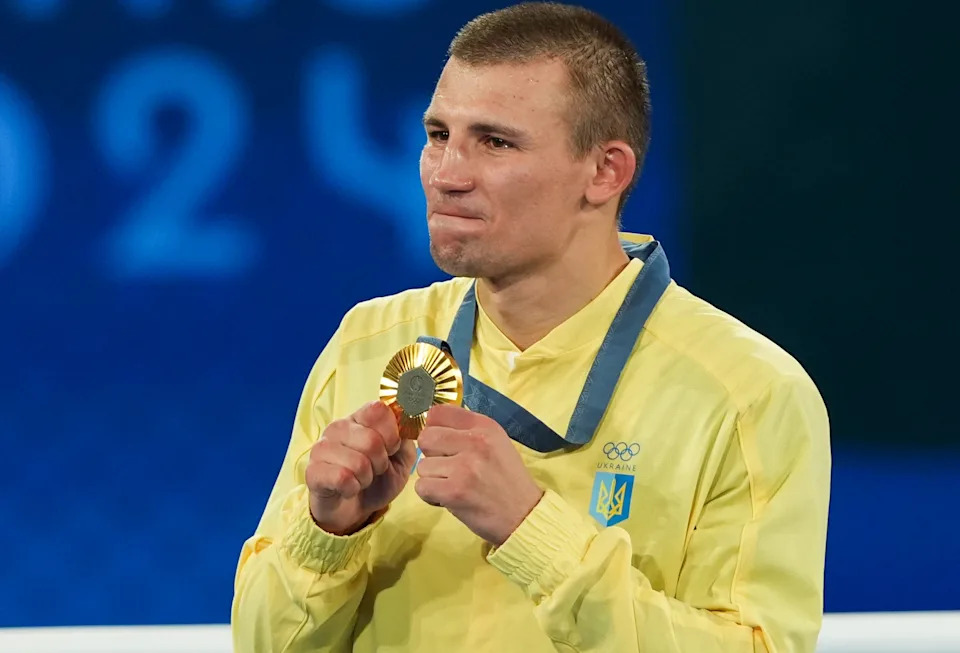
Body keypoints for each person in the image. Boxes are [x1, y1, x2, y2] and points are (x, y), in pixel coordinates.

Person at [231, 3, 830, 652]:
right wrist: (327, 533)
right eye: (438, 135)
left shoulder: (748, 394)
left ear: (605, 172)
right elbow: (264, 642)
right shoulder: (370, 340)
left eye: (495, 141)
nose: (447, 175)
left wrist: (531, 529)